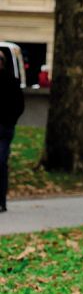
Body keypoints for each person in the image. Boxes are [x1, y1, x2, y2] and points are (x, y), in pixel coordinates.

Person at [0, 50, 21, 212]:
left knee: (0, 162)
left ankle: (2, 200)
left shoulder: (11, 82)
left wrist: (9, 122)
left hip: (4, 129)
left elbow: (19, 106)